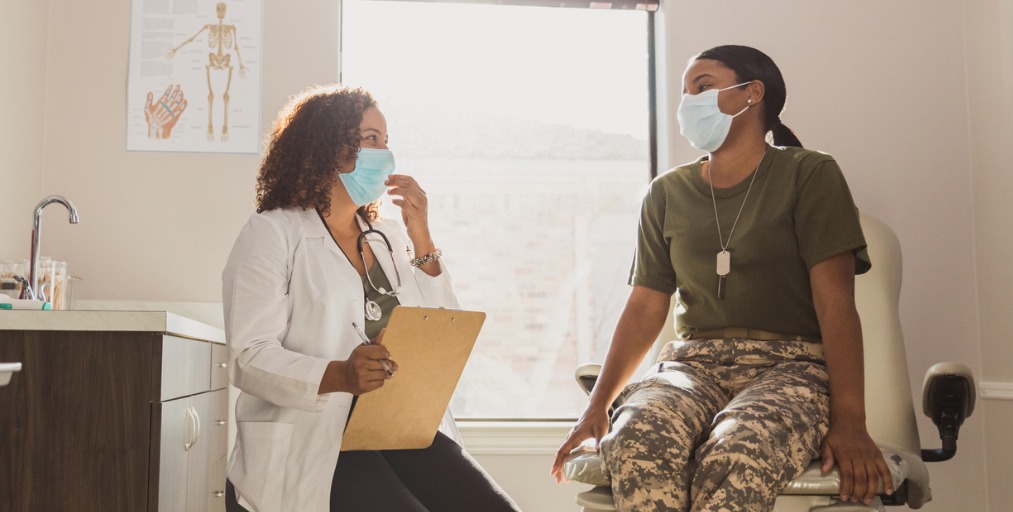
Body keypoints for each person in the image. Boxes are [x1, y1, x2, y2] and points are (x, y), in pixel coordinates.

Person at [551, 45, 893, 511]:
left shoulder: (809, 174)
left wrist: (851, 419)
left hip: (789, 366)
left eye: (703, 86)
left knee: (737, 449)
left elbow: (836, 304)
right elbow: (645, 305)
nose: (688, 102)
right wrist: (596, 409)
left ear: (753, 94)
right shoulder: (665, 193)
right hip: (692, 366)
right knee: (636, 436)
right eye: (685, 92)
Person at [222, 84, 521, 512]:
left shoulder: (387, 238)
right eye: (371, 140)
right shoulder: (273, 233)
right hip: (317, 436)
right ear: (326, 147)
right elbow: (247, 356)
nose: (385, 153)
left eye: (387, 140)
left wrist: (421, 233)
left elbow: (444, 328)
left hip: (394, 424)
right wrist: (339, 375)